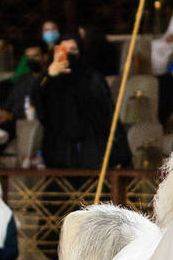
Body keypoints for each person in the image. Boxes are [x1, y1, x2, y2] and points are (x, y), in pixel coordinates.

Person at [32, 36, 130, 170]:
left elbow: (108, 115)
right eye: (64, 50)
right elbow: (38, 101)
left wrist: (119, 153)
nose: (69, 54)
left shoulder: (92, 78)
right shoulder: (50, 79)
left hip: (91, 150)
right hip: (58, 151)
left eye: (73, 49)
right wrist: (48, 75)